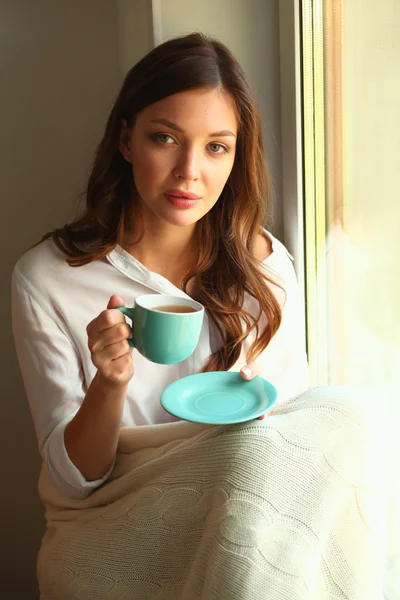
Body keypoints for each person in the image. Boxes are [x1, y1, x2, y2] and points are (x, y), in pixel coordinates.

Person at [11, 32, 309, 500]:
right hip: (121, 518)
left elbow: (297, 435)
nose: (189, 170)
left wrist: (262, 417)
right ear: (127, 140)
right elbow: (74, 481)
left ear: (236, 157)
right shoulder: (49, 278)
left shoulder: (264, 266)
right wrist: (110, 382)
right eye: (165, 138)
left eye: (216, 147)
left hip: (237, 502)